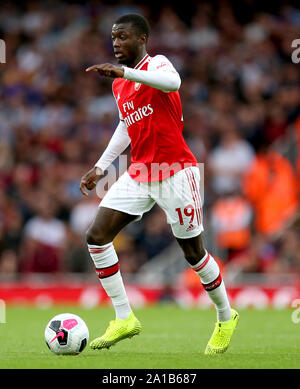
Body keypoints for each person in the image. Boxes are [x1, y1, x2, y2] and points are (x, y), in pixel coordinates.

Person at [81, 13, 239, 355]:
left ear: (141, 40)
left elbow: (174, 84)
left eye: (122, 37)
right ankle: (125, 317)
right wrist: (100, 167)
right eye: (113, 38)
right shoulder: (119, 85)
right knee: (96, 236)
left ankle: (226, 316)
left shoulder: (158, 64)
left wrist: (124, 70)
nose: (116, 43)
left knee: (193, 253)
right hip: (140, 171)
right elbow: (126, 125)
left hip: (176, 170)